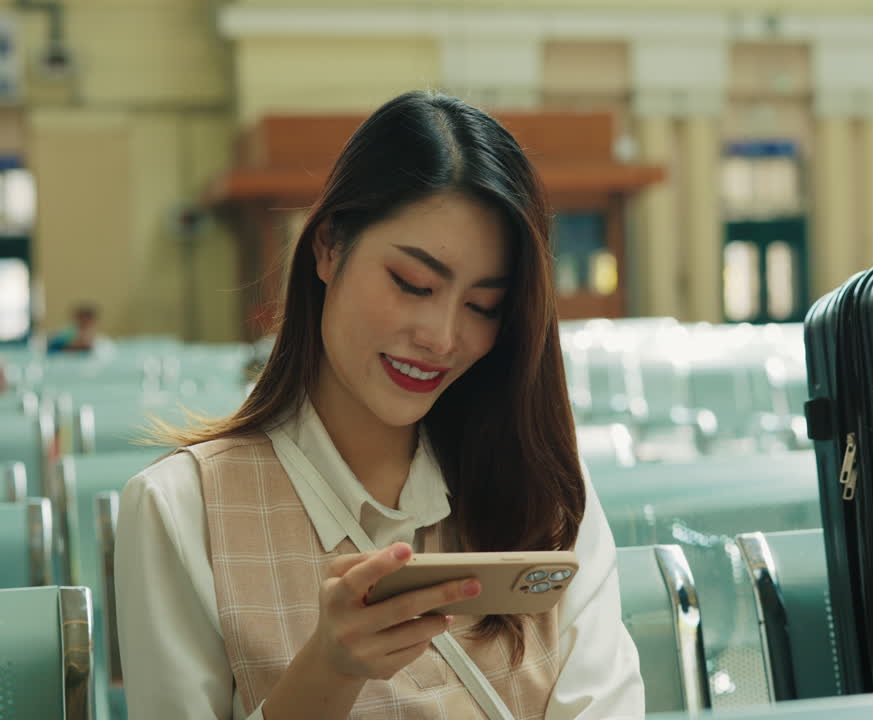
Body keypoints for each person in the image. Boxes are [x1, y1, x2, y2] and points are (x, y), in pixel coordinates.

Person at [115, 91, 645, 719]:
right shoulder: (181, 510)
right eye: (412, 284)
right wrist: (327, 672)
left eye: (483, 306)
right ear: (329, 247)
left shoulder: (548, 490)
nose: (443, 337)